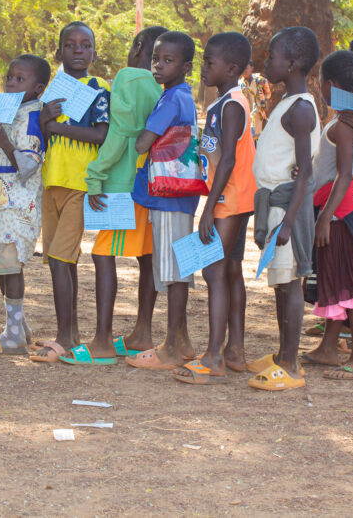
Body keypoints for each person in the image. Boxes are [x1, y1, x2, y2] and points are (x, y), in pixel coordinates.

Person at [64, 25, 164, 365]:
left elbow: (119, 133)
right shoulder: (158, 85)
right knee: (146, 256)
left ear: (137, 47)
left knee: (102, 253)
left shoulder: (127, 78)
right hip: (151, 187)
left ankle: (103, 340)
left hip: (121, 185)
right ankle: (142, 331)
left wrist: (95, 176)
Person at [173, 31, 256, 383]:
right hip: (232, 196)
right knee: (230, 269)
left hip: (230, 198)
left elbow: (228, 161)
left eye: (209, 62)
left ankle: (213, 357)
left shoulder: (232, 104)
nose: (203, 68)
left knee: (213, 271)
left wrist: (209, 208)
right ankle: (234, 352)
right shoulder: (223, 102)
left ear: (232, 67)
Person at [30, 22, 110, 363]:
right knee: (60, 260)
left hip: (81, 183)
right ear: (59, 51)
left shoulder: (99, 87)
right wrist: (46, 123)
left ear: (94, 51)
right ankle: (72, 332)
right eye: (70, 44)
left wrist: (56, 124)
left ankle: (63, 338)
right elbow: (46, 137)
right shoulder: (53, 89)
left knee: (61, 260)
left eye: (85, 44)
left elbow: (102, 134)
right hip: (53, 181)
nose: (78, 50)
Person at [246, 26, 319, 392]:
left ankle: (291, 364)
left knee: (291, 284)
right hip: (275, 205)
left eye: (272, 57)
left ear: (292, 63)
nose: (265, 63)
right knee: (280, 283)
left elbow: (305, 172)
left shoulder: (302, 109)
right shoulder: (287, 105)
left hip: (287, 208)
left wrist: (289, 222)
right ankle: (280, 354)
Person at [124, 31, 201, 371]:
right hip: (180, 195)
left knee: (172, 272)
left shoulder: (170, 100)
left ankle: (170, 347)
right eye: (156, 59)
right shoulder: (183, 96)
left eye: (168, 61)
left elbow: (143, 144)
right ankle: (180, 341)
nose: (158, 66)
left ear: (186, 66)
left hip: (168, 195)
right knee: (177, 267)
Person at [302, 51, 353, 379]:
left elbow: (345, 175)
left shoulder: (344, 125)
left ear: (329, 85)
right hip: (336, 211)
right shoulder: (344, 119)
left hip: (342, 215)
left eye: (319, 82)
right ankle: (328, 347)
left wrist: (324, 217)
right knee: (337, 282)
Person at [0, 55, 49, 355]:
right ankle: (18, 325)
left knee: (10, 264)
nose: (11, 84)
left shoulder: (31, 118)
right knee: (2, 264)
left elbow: (27, 165)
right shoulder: (8, 110)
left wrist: (2, 139)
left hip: (16, 207)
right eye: (9, 78)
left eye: (20, 80)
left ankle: (14, 334)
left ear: (38, 88)